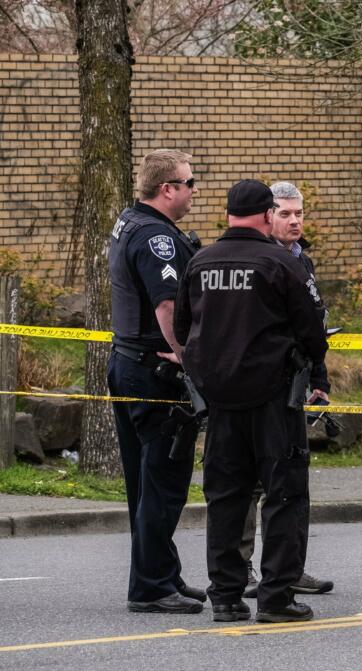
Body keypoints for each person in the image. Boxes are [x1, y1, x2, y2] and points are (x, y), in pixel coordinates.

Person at [173, 180, 328, 623]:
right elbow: (312, 330)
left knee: (225, 497)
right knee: (283, 495)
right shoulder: (280, 263)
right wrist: (311, 367)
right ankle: (277, 597)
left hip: (219, 402)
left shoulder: (199, 262)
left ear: (227, 216)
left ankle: (225, 596)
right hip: (274, 399)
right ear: (265, 216)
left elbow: (184, 330)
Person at [108, 149, 205, 614]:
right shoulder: (157, 238)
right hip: (154, 369)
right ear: (167, 188)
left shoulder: (129, 222)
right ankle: (150, 587)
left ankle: (162, 573)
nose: (193, 190)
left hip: (129, 363)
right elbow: (167, 305)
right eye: (189, 182)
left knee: (144, 481)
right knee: (163, 480)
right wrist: (187, 356)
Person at [238, 181, 334, 598]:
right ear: (266, 215)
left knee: (294, 479)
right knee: (251, 483)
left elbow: (313, 325)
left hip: (294, 380)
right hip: (257, 384)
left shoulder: (302, 261)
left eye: (299, 213)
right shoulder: (255, 259)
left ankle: (290, 567)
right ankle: (241, 570)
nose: (294, 220)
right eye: (285, 213)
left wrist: (319, 377)